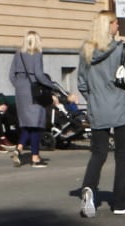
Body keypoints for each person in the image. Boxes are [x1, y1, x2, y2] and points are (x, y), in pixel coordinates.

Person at [76, 11, 125, 217]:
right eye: (116, 23)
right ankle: (120, 203)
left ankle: (89, 187)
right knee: (122, 157)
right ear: (109, 25)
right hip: (121, 106)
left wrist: (93, 100)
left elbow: (82, 83)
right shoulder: (122, 49)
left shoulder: (86, 51)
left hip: (98, 108)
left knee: (98, 153)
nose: (118, 26)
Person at [9, 30, 76, 169]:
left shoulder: (18, 54)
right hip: (34, 91)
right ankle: (35, 158)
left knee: (27, 123)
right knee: (36, 124)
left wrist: (19, 85)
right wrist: (51, 85)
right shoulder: (37, 54)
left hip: (20, 91)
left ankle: (19, 149)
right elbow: (39, 75)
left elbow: (11, 75)